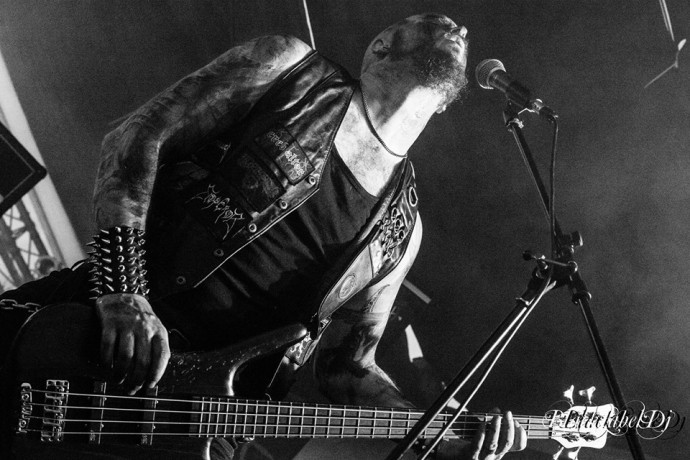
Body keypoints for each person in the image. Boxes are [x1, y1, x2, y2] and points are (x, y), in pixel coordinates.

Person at [1, 13, 526, 459]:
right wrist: (124, 293)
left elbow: (345, 368)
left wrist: (439, 433)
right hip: (92, 339)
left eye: (457, 28)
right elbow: (138, 136)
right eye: (431, 21)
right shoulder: (289, 71)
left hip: (195, 427)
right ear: (382, 46)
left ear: (444, 103)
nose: (460, 26)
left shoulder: (403, 228)